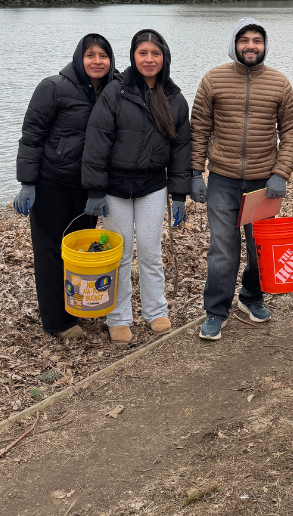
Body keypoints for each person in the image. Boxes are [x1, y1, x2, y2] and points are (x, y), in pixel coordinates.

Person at [191, 16, 293, 341]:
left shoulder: (280, 83)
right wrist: (196, 173)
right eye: (245, 40)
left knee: (258, 250)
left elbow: (291, 131)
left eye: (257, 40)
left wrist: (281, 173)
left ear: (264, 46)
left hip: (263, 183)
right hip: (222, 180)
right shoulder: (213, 79)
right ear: (235, 44)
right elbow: (199, 128)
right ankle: (216, 310)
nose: (251, 46)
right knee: (223, 249)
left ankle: (251, 296)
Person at [82, 29, 191, 345]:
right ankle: (118, 317)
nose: (149, 59)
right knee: (118, 252)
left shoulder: (174, 97)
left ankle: (155, 311)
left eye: (155, 53)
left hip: (153, 186)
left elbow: (182, 148)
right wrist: (94, 190)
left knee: (149, 249)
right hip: (115, 188)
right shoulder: (115, 92)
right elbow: (97, 141)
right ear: (133, 56)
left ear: (164, 57)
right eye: (143, 53)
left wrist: (179, 193)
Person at [14, 34, 116, 340]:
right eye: (90, 55)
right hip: (52, 183)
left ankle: (77, 306)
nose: (97, 61)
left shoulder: (113, 90)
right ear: (78, 58)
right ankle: (56, 320)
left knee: (80, 250)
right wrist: (27, 183)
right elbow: (32, 136)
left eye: (103, 55)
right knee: (50, 251)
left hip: (89, 188)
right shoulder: (53, 88)